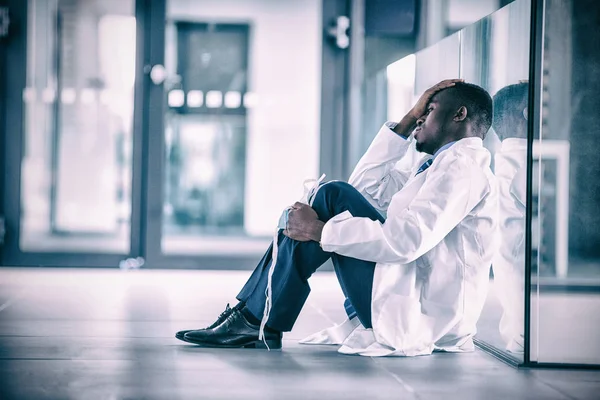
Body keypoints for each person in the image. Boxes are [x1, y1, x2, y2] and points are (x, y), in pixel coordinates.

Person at [175, 79, 499, 357]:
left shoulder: (462, 168)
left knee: (330, 196)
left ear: (459, 114)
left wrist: (318, 230)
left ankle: (254, 317)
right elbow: (364, 189)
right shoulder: (440, 167)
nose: (419, 120)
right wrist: (405, 121)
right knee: (331, 195)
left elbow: (406, 241)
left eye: (427, 111)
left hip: (420, 313)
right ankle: (254, 317)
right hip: (406, 292)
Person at [490, 82, 528, 353]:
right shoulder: (524, 162)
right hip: (524, 327)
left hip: (508, 261)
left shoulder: (506, 159)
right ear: (528, 114)